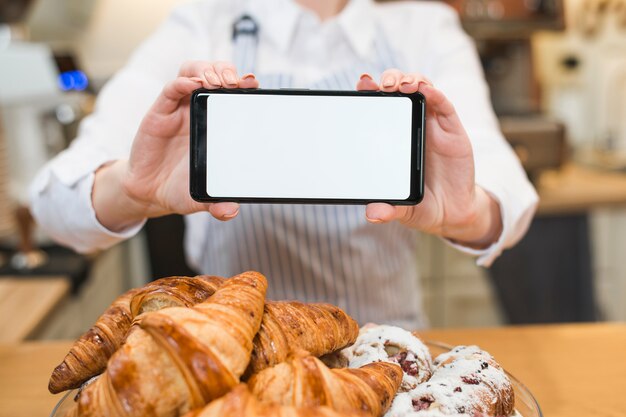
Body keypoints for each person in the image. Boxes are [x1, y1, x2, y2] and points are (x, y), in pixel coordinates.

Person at [30, 0, 538, 329]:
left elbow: (507, 196)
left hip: (384, 352)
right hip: (234, 354)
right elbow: (53, 203)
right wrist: (131, 189)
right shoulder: (203, 22)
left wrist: (466, 211)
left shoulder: (425, 27)